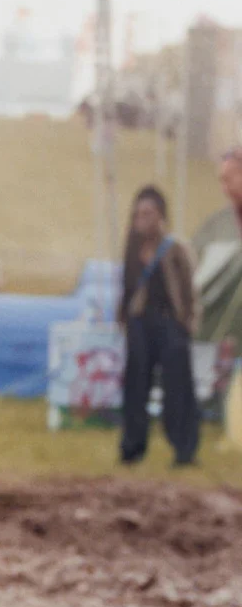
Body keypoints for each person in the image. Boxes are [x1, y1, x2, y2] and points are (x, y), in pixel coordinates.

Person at [118, 184, 199, 468]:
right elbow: (126, 287)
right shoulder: (131, 249)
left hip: (170, 323)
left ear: (160, 216)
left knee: (178, 387)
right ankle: (132, 449)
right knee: (135, 385)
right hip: (140, 324)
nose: (142, 219)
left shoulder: (176, 248)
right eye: (138, 213)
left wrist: (188, 322)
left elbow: (189, 289)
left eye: (148, 213)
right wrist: (122, 319)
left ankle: (184, 450)